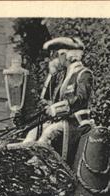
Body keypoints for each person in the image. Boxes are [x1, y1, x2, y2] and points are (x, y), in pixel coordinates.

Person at [34, 36, 93, 166]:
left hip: (76, 122)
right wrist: (51, 74)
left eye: (60, 55)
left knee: (49, 132)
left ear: (68, 56)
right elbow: (48, 97)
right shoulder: (63, 76)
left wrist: (56, 109)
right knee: (34, 132)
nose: (57, 59)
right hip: (62, 121)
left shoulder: (84, 74)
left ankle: (40, 164)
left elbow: (81, 99)